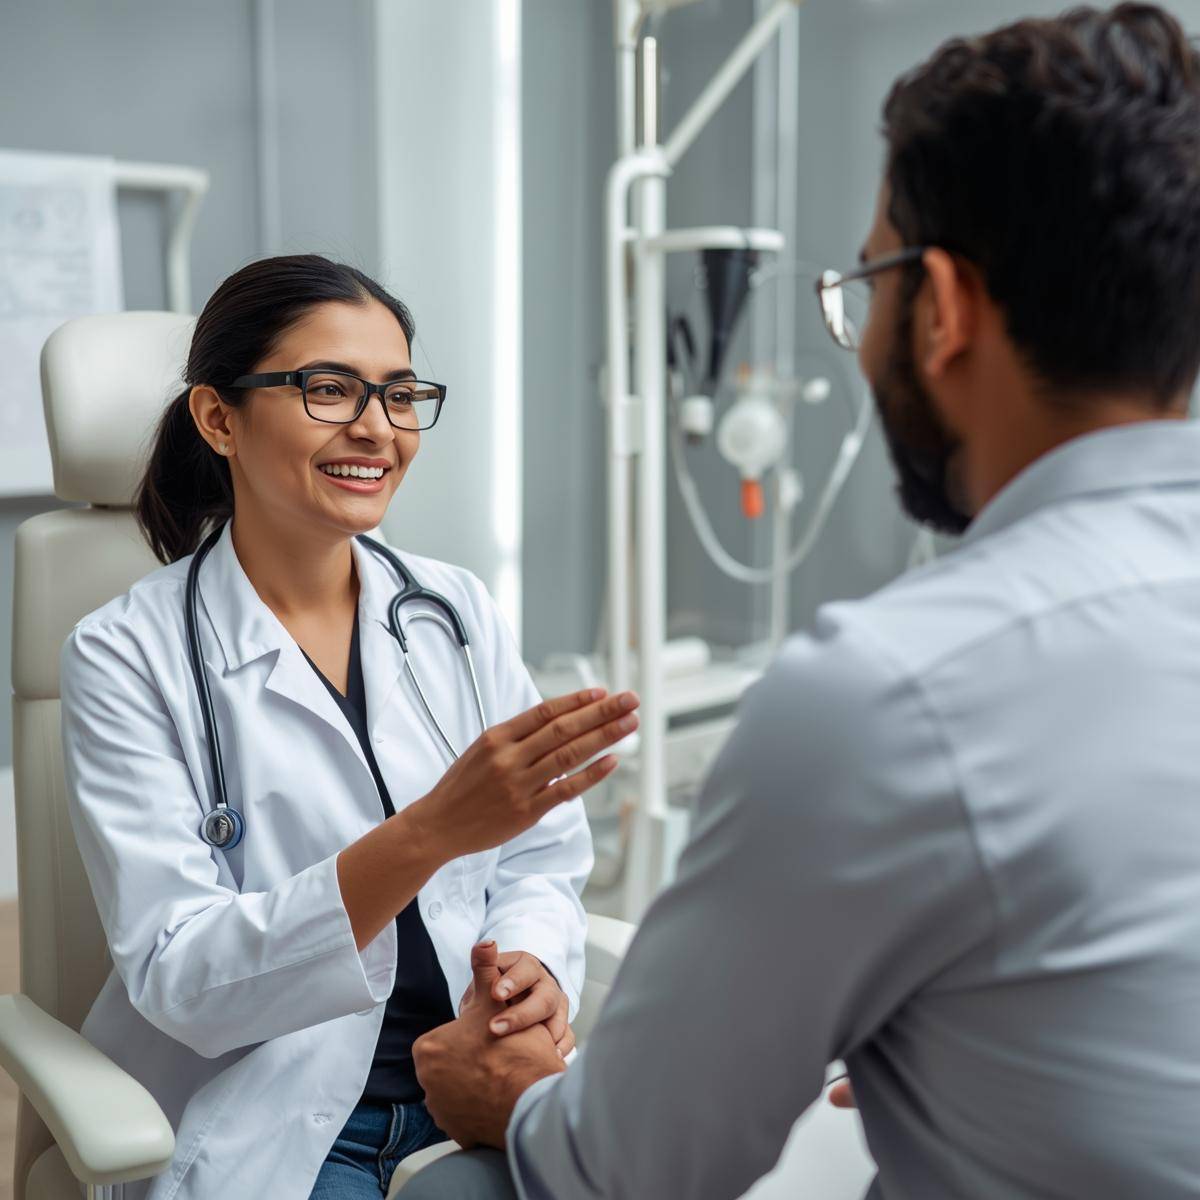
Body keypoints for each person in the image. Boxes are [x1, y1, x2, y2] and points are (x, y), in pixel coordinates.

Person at [407, 5, 1200, 1197]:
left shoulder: (888, 693)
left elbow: (625, 1170)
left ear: (943, 309)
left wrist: (512, 1103)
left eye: (867, 282)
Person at [57, 253, 640, 1200]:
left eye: (401, 394)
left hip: (476, 1084)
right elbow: (181, 976)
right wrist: (431, 834)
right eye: (329, 389)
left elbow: (541, 861)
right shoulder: (122, 655)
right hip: (282, 1117)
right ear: (219, 419)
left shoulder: (454, 612)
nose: (377, 427)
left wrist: (530, 967)